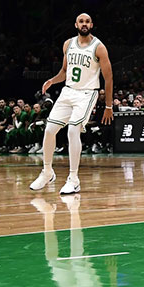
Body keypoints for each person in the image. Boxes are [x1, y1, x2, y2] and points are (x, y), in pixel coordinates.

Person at [31, 14, 114, 195]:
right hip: (68, 91)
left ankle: (74, 179)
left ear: (92, 24)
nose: (84, 24)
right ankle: (47, 172)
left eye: (87, 21)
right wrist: (52, 81)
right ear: (76, 24)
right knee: (49, 130)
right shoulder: (68, 44)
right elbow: (64, 71)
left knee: (73, 130)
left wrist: (108, 106)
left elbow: (108, 78)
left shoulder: (99, 48)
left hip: (87, 94)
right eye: (81, 21)